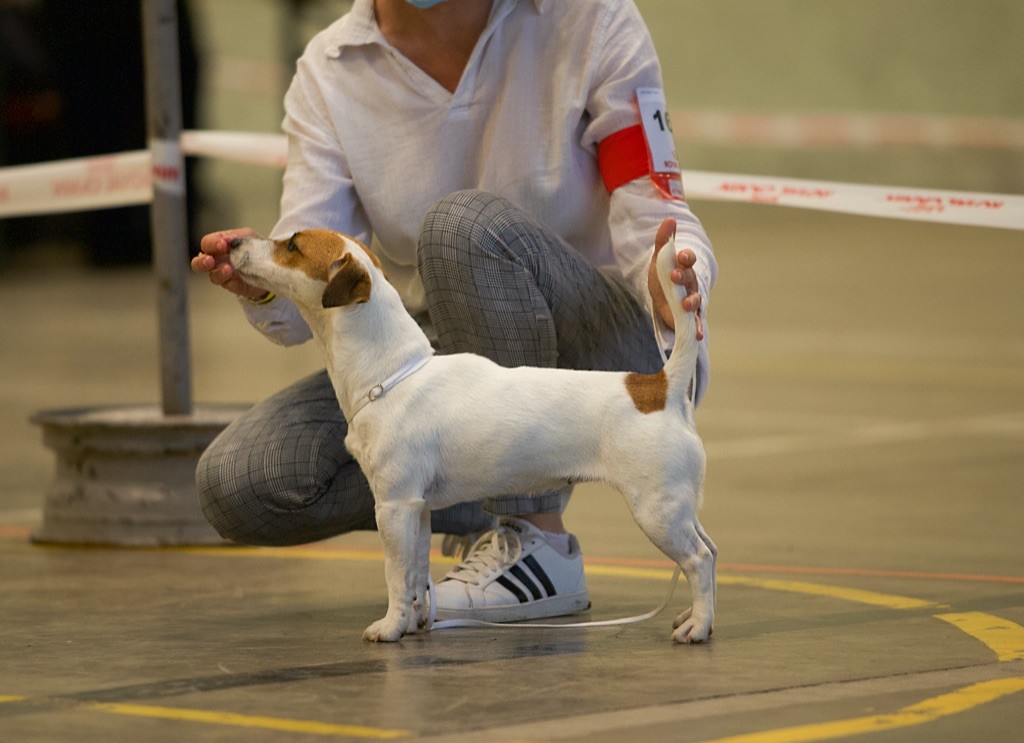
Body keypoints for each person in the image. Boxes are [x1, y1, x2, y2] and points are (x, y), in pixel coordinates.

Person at [192, 0, 716, 622]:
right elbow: (310, 263)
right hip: (437, 366)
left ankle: (535, 541)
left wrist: (672, 275)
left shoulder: (591, 19)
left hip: (605, 356)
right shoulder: (329, 69)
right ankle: (476, 490)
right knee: (243, 480)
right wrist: (258, 283)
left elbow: (655, 206)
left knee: (461, 227)